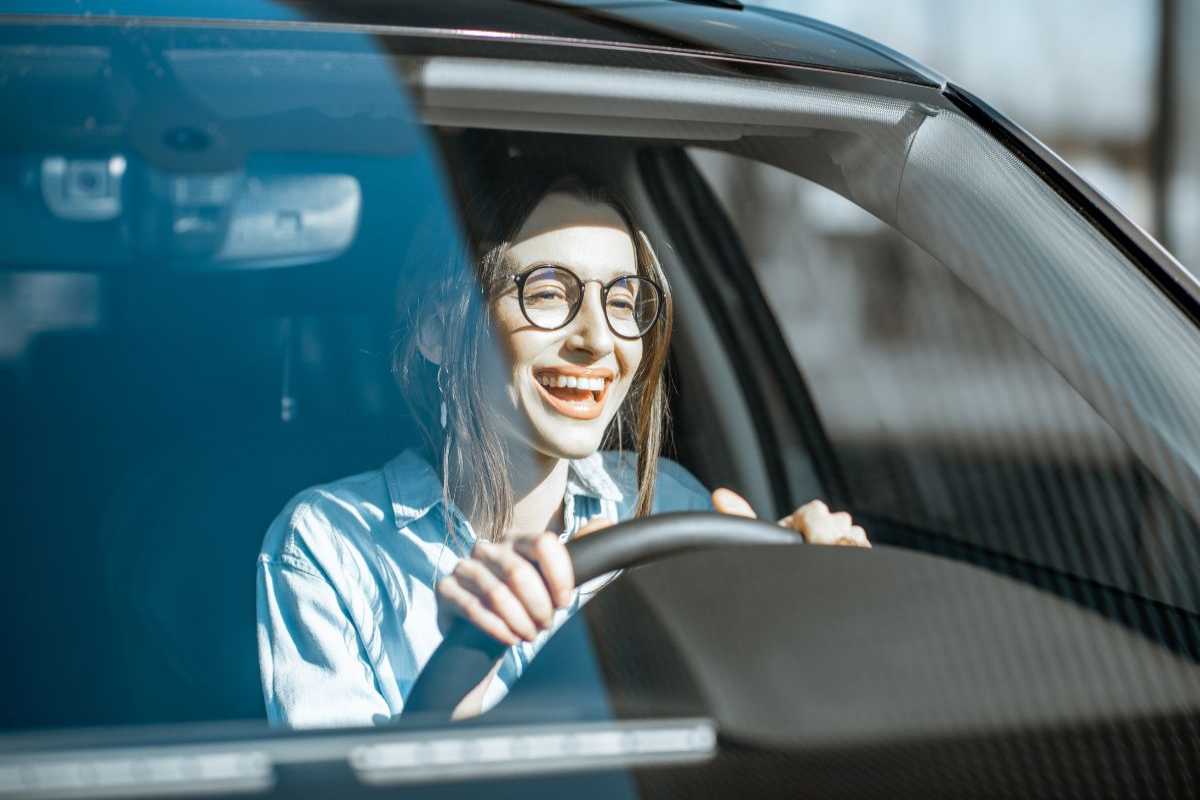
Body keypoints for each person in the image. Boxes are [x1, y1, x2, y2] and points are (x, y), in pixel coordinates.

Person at [256, 161, 869, 729]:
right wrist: (460, 686)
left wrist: (820, 611)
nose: (599, 340)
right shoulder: (329, 546)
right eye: (548, 292)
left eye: (623, 301)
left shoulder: (670, 505)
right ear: (438, 329)